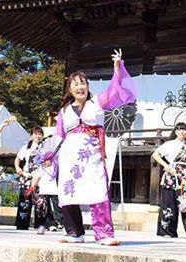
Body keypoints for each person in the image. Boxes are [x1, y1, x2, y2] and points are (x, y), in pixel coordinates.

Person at [53, 49, 137, 245]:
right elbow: (58, 135)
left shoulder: (98, 102)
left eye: (83, 83)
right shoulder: (64, 111)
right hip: (69, 156)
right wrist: (50, 156)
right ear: (70, 89)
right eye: (76, 84)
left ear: (88, 86)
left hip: (92, 155)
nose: (80, 87)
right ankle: (75, 232)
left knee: (98, 190)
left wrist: (117, 68)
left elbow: (114, 89)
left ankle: (104, 234)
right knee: (68, 192)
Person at [24, 134, 65, 235]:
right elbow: (37, 175)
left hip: (54, 187)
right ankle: (49, 224)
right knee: (44, 208)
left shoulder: (57, 163)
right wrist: (33, 186)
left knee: (57, 206)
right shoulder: (40, 163)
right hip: (44, 187)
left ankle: (63, 224)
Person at [14, 126, 44, 229]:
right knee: (25, 200)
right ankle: (22, 224)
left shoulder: (45, 147)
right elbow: (17, 159)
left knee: (40, 201)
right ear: (31, 136)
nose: (38, 136)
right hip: (27, 176)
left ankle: (40, 225)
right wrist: (18, 169)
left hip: (40, 177)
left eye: (40, 134)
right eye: (35, 134)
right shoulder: (26, 147)